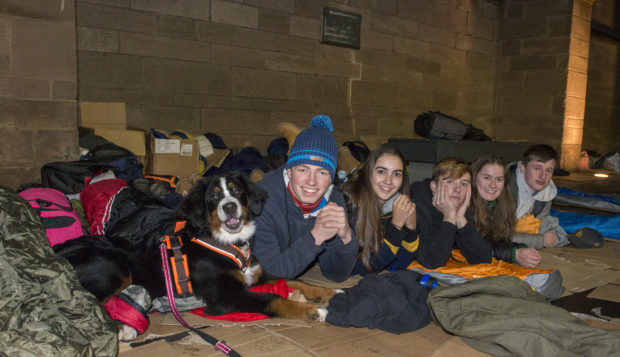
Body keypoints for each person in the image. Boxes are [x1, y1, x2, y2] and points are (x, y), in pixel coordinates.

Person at [253, 115, 358, 282]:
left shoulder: (332, 200)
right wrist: (315, 237)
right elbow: (269, 275)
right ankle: (254, 176)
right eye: (303, 170)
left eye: (322, 172)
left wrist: (347, 238)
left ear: (331, 179)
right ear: (289, 171)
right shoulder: (263, 200)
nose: (311, 181)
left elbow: (336, 275)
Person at [340, 143, 418, 275]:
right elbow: (356, 269)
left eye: (397, 174)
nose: (389, 181)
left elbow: (399, 264)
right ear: (369, 172)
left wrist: (411, 230)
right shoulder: (349, 202)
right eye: (381, 171)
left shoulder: (396, 204)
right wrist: (396, 227)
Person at [410, 157, 492, 269]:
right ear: (434, 186)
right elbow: (433, 262)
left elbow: (484, 260)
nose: (457, 189)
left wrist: (461, 220)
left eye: (463, 184)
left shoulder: (458, 204)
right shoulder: (416, 206)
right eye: (450, 182)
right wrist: (449, 218)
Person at [470, 154, 541, 268]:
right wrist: (513, 254)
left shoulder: (501, 206)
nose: (493, 185)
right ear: (474, 178)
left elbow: (496, 242)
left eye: (499, 179)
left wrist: (520, 249)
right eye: (486, 177)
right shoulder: (463, 206)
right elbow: (471, 247)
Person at [508, 144, 569, 249]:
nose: (543, 176)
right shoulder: (501, 188)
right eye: (537, 168)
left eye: (548, 170)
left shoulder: (545, 193)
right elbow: (493, 237)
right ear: (522, 167)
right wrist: (541, 240)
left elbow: (541, 220)